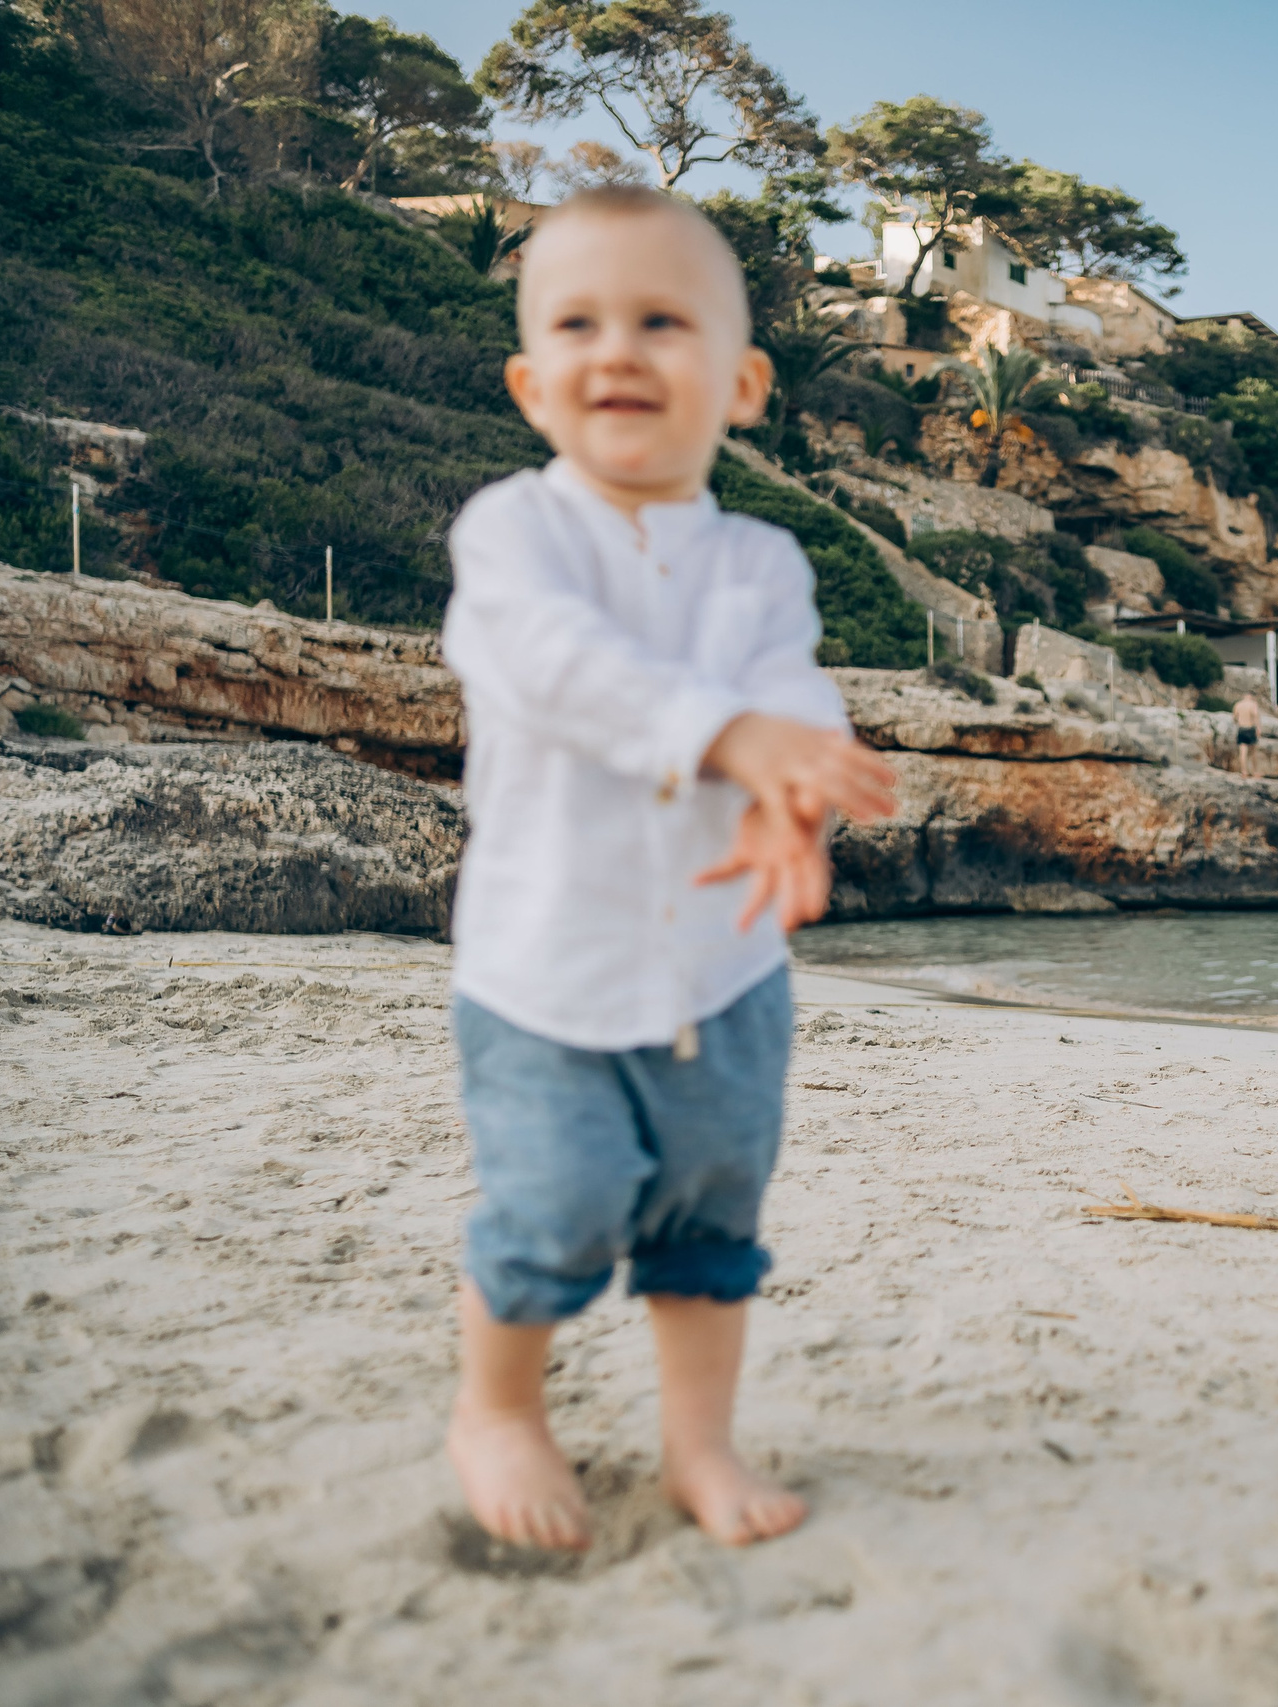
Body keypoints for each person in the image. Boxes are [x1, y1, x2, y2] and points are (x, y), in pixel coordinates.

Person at [439, 184, 897, 1553]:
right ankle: (500, 1406)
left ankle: (698, 1439)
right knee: (556, 1208)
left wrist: (794, 797)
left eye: (661, 319)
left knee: (710, 1215)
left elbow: (790, 691)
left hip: (725, 969)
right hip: (544, 972)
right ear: (531, 382)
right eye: (578, 321)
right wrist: (729, 737)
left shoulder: (762, 559)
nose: (618, 349)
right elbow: (565, 670)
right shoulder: (511, 533)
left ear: (744, 382)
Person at [1231, 690, 1260, 776]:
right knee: (1253, 752)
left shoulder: (1238, 704)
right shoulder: (1253, 704)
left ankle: (1244, 771)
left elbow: (1234, 717)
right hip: (1250, 728)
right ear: (1251, 696)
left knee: (1243, 752)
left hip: (1241, 728)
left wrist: (1239, 721)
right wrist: (1258, 728)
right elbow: (1255, 715)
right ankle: (1255, 772)